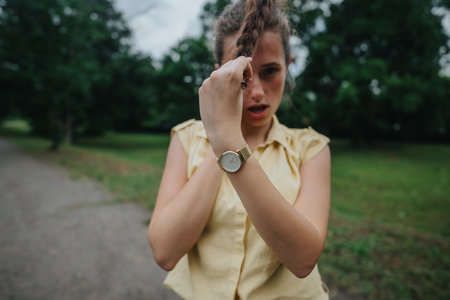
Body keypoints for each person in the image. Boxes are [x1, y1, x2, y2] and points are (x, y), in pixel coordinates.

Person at [148, 0, 331, 299]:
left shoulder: (311, 148)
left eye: (270, 71)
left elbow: (303, 259)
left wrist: (229, 142)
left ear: (289, 65)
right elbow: (165, 252)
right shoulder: (186, 138)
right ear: (221, 74)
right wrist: (219, 136)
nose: (257, 91)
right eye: (244, 75)